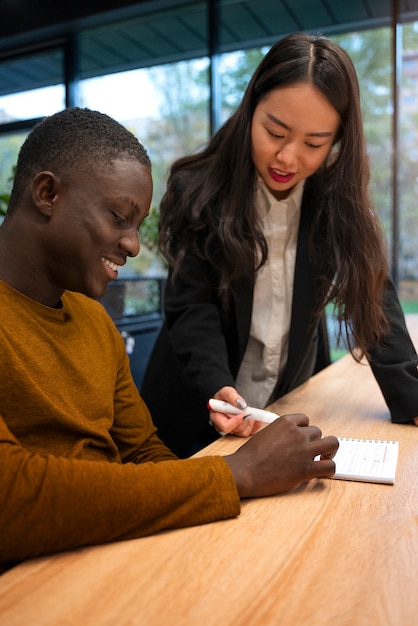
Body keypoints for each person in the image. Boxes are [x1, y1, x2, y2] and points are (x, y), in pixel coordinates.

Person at [0, 107, 339, 574]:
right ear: (47, 193)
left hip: (114, 557)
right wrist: (236, 474)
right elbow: (11, 498)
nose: (133, 244)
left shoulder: (95, 323)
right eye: (119, 217)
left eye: (136, 225)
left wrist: (232, 496)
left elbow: (144, 455)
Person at [141, 32, 418, 458]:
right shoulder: (197, 189)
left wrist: (411, 396)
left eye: (313, 144)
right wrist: (218, 388)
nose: (288, 158)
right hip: (195, 406)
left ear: (337, 140)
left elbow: (372, 290)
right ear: (252, 107)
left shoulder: (332, 196)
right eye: (275, 132)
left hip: (286, 402)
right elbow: (192, 308)